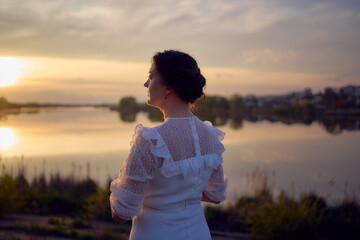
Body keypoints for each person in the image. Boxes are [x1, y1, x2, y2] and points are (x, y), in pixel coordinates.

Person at [110, 50, 228, 240]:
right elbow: (216, 195)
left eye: (151, 77)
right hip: (198, 233)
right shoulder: (211, 137)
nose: (146, 83)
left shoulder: (151, 140)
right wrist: (182, 196)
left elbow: (120, 213)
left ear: (168, 88)